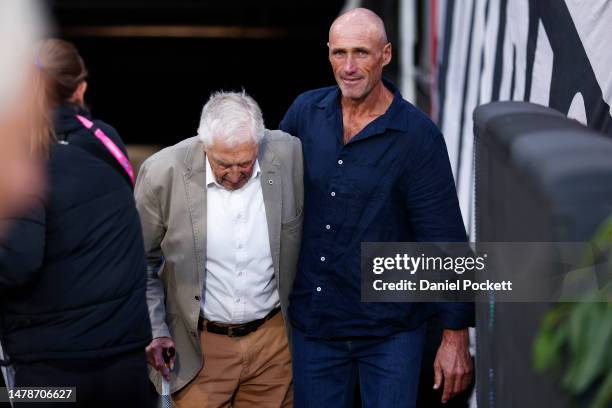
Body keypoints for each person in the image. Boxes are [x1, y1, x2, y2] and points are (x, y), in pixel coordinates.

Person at [279, 8, 473, 408]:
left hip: (391, 334)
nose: (348, 67)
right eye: (339, 53)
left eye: (361, 54)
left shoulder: (418, 137)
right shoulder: (305, 113)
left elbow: (444, 239)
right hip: (315, 329)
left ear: (386, 55)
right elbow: (265, 195)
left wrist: (455, 336)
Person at [0, 39, 152, 407]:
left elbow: (17, 262)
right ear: (80, 87)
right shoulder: (107, 140)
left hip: (49, 366)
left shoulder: (19, 158)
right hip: (125, 356)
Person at [135, 91, 303, 407]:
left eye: (246, 163)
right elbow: (138, 262)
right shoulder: (163, 173)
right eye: (224, 164)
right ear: (204, 145)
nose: (236, 174)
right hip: (199, 348)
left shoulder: (290, 154)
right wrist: (156, 329)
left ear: (260, 143)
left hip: (274, 344)